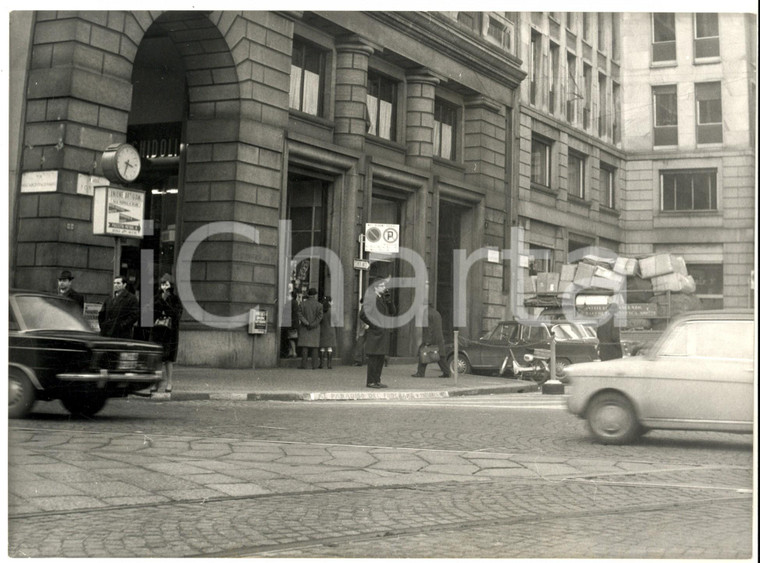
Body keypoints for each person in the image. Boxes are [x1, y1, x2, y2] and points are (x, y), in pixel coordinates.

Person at [360, 276, 395, 388]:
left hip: (382, 333)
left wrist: (389, 302)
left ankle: (377, 380)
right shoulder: (371, 298)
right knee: (373, 358)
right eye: (382, 285)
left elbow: (393, 312)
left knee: (380, 357)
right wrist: (374, 325)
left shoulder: (382, 298)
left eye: (384, 285)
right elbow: (363, 314)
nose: (384, 287)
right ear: (375, 287)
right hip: (376, 333)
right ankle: (370, 381)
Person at [150, 273, 183, 393]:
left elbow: (176, 314)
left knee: (169, 359)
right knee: (157, 358)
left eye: (166, 284)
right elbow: (152, 312)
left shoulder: (174, 299)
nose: (164, 286)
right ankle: (156, 383)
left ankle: (169, 383)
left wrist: (166, 300)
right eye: (162, 284)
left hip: (170, 332)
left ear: (171, 286)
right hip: (158, 330)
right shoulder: (156, 298)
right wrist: (161, 299)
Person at [412, 289, 451, 378]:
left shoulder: (426, 313)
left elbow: (429, 329)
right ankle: (447, 372)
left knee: (423, 353)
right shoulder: (436, 312)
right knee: (440, 356)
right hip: (438, 338)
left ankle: (420, 373)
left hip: (431, 338)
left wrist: (427, 342)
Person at [297, 287, 322, 369]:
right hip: (315, 328)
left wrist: (306, 323)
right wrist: (313, 324)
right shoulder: (319, 305)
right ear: (315, 295)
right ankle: (314, 365)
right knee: (315, 348)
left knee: (305, 347)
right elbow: (320, 317)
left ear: (308, 295)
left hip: (305, 328)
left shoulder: (302, 304)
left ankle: (303, 365)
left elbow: (299, 314)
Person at [318, 296, 337, 369]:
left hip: (322, 330)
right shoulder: (332, 311)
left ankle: (321, 364)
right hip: (331, 331)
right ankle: (329, 364)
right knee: (329, 348)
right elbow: (335, 321)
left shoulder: (321, 310)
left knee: (322, 347)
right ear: (329, 302)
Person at [352, 299, 368, 366]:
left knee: (360, 344)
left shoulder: (364, 310)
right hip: (364, 330)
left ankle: (359, 360)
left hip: (365, 329)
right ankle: (360, 360)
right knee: (360, 345)